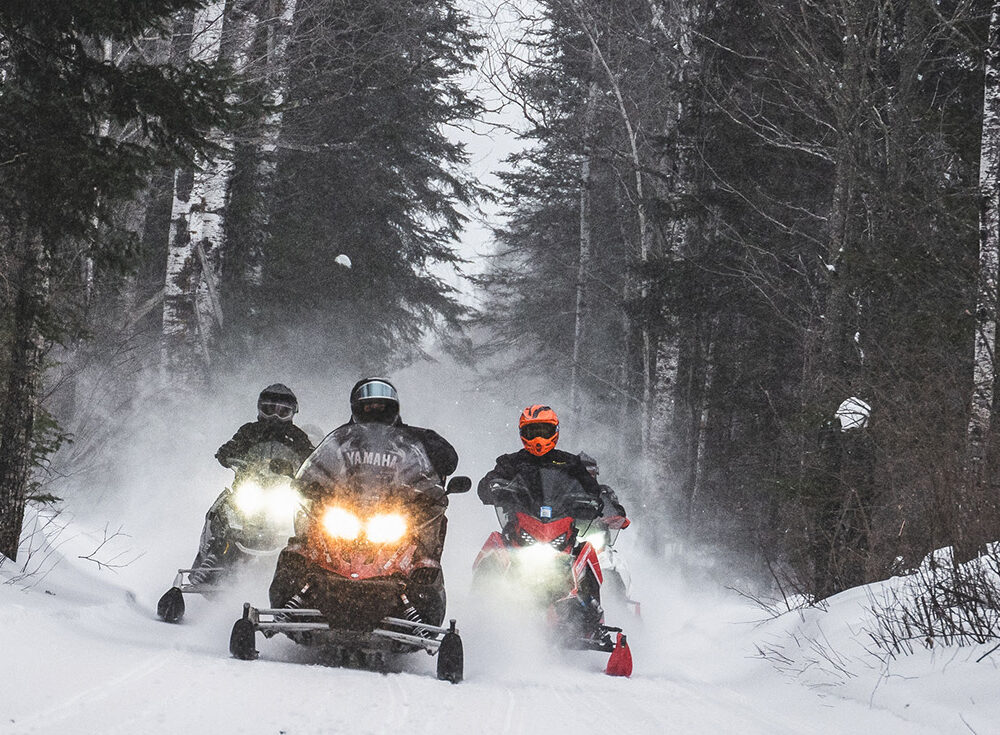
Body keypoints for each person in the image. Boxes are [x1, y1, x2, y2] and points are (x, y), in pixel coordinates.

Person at [268, 377, 459, 625]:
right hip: (345, 510)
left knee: (422, 562)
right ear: (357, 409)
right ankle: (294, 599)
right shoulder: (340, 441)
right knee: (300, 550)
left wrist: (427, 489)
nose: (375, 413)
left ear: (394, 409)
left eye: (382, 407)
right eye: (368, 407)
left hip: (393, 513)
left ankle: (418, 610)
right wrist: (308, 483)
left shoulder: (413, 441)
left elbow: (446, 461)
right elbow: (318, 469)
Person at [477, 405, 607, 640]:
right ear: (522, 433)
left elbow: (592, 489)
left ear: (554, 432)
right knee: (494, 545)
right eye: (532, 431)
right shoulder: (511, 462)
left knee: (587, 553)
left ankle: (592, 617)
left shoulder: (570, 463)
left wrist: (592, 502)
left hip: (560, 532)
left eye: (544, 431)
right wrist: (494, 487)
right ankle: (480, 605)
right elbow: (487, 484)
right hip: (521, 531)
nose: (538, 438)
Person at [191, 384, 315, 584]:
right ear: (260, 409)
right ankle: (210, 557)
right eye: (269, 409)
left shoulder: (298, 437)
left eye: (282, 412)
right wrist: (227, 454)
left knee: (308, 522)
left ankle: (305, 573)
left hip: (282, 494)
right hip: (248, 490)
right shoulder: (249, 431)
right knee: (222, 509)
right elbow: (231, 446)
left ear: (292, 413)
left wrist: (300, 471)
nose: (275, 416)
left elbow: (311, 460)